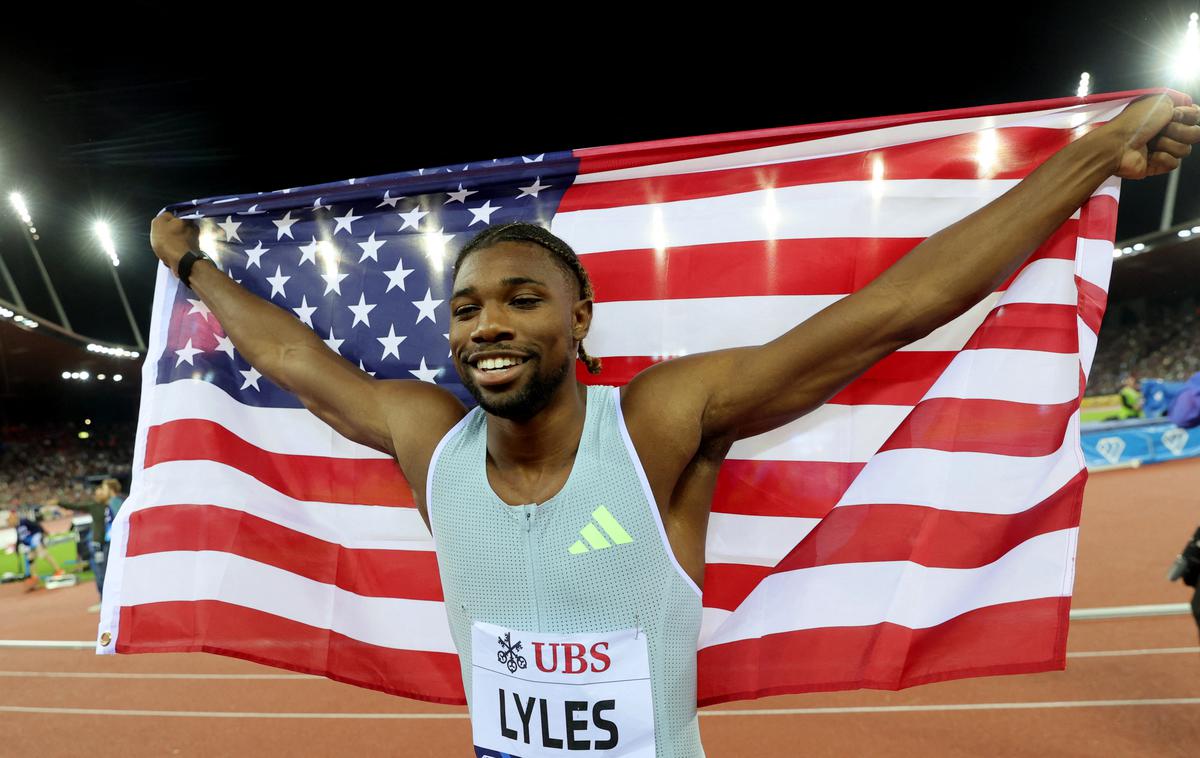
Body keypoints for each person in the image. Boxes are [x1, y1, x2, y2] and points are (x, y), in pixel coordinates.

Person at [150, 95, 1200, 757]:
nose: (489, 325)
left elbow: (886, 314)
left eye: (521, 297)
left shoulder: (653, 424)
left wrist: (1091, 158)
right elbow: (301, 363)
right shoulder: (433, 439)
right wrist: (191, 267)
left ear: (580, 317)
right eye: (467, 308)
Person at [4, 509, 64, 588]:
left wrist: (42, 534)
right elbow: (19, 538)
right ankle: (34, 577)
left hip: (36, 539)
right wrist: (17, 548)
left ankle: (59, 570)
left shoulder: (24, 521)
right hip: (29, 544)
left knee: (43, 554)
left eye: (10, 520)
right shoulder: (17, 527)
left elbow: (37, 525)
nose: (9, 522)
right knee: (30, 560)